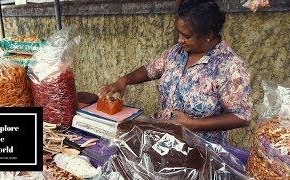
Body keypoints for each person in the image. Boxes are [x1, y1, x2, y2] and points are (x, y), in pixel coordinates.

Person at [99, 0, 252, 144]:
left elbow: (241, 116)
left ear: (208, 35)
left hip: (201, 150)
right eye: (179, 33)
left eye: (186, 36)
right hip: (164, 140)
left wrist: (193, 124)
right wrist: (124, 80)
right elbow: (151, 69)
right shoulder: (177, 52)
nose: (179, 40)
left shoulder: (229, 66)